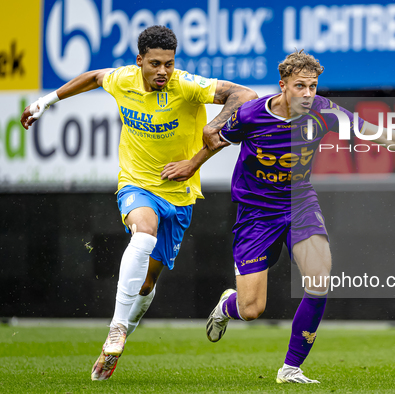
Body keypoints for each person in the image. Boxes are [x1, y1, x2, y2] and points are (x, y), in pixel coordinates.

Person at [189, 49, 395, 384]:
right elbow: (217, 142)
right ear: (282, 85)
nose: (308, 94)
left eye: (313, 86)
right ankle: (229, 306)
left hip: (299, 203)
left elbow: (383, 135)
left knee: (319, 280)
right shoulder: (252, 114)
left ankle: (291, 369)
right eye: (300, 86)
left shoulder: (325, 112)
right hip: (256, 213)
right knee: (252, 309)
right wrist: (190, 165)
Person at [20, 25, 257, 381]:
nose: (163, 71)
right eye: (155, 64)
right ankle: (116, 328)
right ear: (140, 61)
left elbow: (246, 94)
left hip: (179, 194)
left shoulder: (187, 85)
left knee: (146, 286)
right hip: (137, 184)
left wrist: (215, 130)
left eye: (169, 64)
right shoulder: (123, 80)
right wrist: (45, 102)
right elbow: (94, 77)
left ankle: (119, 339)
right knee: (143, 233)